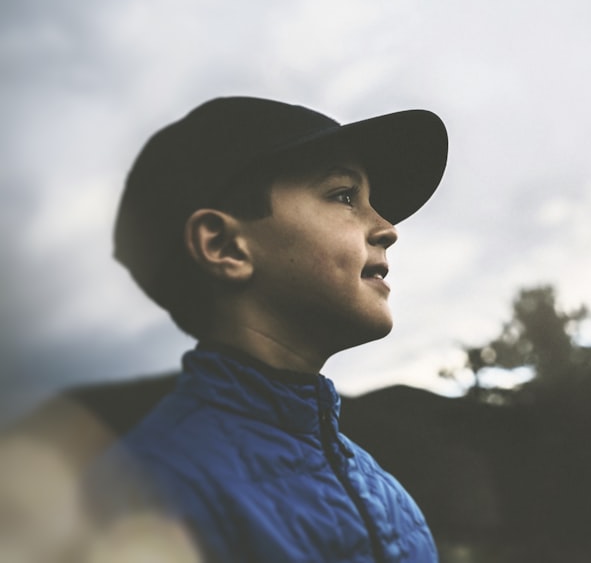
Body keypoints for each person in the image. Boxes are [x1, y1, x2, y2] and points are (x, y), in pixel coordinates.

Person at [86, 96, 448, 562]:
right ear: (225, 246)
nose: (387, 227)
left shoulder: (391, 498)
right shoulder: (143, 498)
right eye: (344, 195)